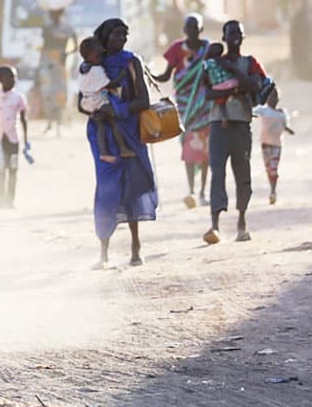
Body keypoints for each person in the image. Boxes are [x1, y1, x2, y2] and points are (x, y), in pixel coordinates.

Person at [78, 19, 157, 268]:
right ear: (104, 37)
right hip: (104, 138)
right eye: (116, 34)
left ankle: (135, 247)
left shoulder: (132, 61)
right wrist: (96, 112)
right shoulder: (90, 66)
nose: (121, 38)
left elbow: (143, 100)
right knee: (107, 190)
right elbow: (81, 101)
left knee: (132, 188)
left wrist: (117, 110)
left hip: (129, 132)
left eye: (125, 34)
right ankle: (103, 251)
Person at [203, 21, 266, 244]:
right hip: (218, 124)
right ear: (224, 37)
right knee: (217, 173)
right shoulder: (212, 64)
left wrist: (232, 71)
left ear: (243, 36)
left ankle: (242, 221)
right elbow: (207, 94)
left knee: (242, 174)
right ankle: (215, 225)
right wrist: (237, 88)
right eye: (231, 34)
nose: (235, 37)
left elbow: (257, 86)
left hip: (241, 124)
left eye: (239, 33)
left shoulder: (249, 62)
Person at [153, 14, 214, 208]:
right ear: (184, 30)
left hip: (205, 105)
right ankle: (192, 191)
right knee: (189, 149)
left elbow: (214, 72)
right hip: (185, 107)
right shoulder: (176, 49)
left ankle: (203, 192)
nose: (192, 33)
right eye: (188, 29)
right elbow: (165, 75)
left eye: (195, 29)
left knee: (205, 150)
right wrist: (148, 75)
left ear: (201, 30)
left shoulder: (208, 48)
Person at [77, 37, 135, 163]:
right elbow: (110, 84)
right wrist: (122, 75)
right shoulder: (96, 70)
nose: (102, 56)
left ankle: (104, 152)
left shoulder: (82, 68)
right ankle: (123, 148)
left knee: (101, 126)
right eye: (99, 54)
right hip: (98, 101)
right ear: (91, 55)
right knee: (115, 120)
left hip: (87, 103)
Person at [0, 65, 29, 208]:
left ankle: (10, 199)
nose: (14, 80)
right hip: (0, 139)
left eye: (14, 77)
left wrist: (26, 140)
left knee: (13, 169)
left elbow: (23, 119)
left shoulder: (18, 98)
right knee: (1, 167)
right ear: (1, 79)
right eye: (10, 77)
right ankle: (0, 198)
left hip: (13, 139)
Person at [37, 8, 77, 135]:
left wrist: (67, 54)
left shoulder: (68, 28)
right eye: (51, 13)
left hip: (61, 63)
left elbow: (75, 46)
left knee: (61, 92)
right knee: (47, 92)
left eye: (55, 13)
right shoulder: (47, 28)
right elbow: (44, 46)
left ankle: (61, 121)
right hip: (48, 62)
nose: (53, 16)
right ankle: (49, 122)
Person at [253, 88, 294, 205]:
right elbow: (252, 112)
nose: (273, 100)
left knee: (273, 168)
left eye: (275, 98)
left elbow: (285, 126)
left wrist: (288, 130)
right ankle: (272, 189)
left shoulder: (282, 114)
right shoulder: (263, 110)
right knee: (268, 168)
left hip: (276, 145)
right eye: (271, 97)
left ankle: (273, 191)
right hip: (265, 144)